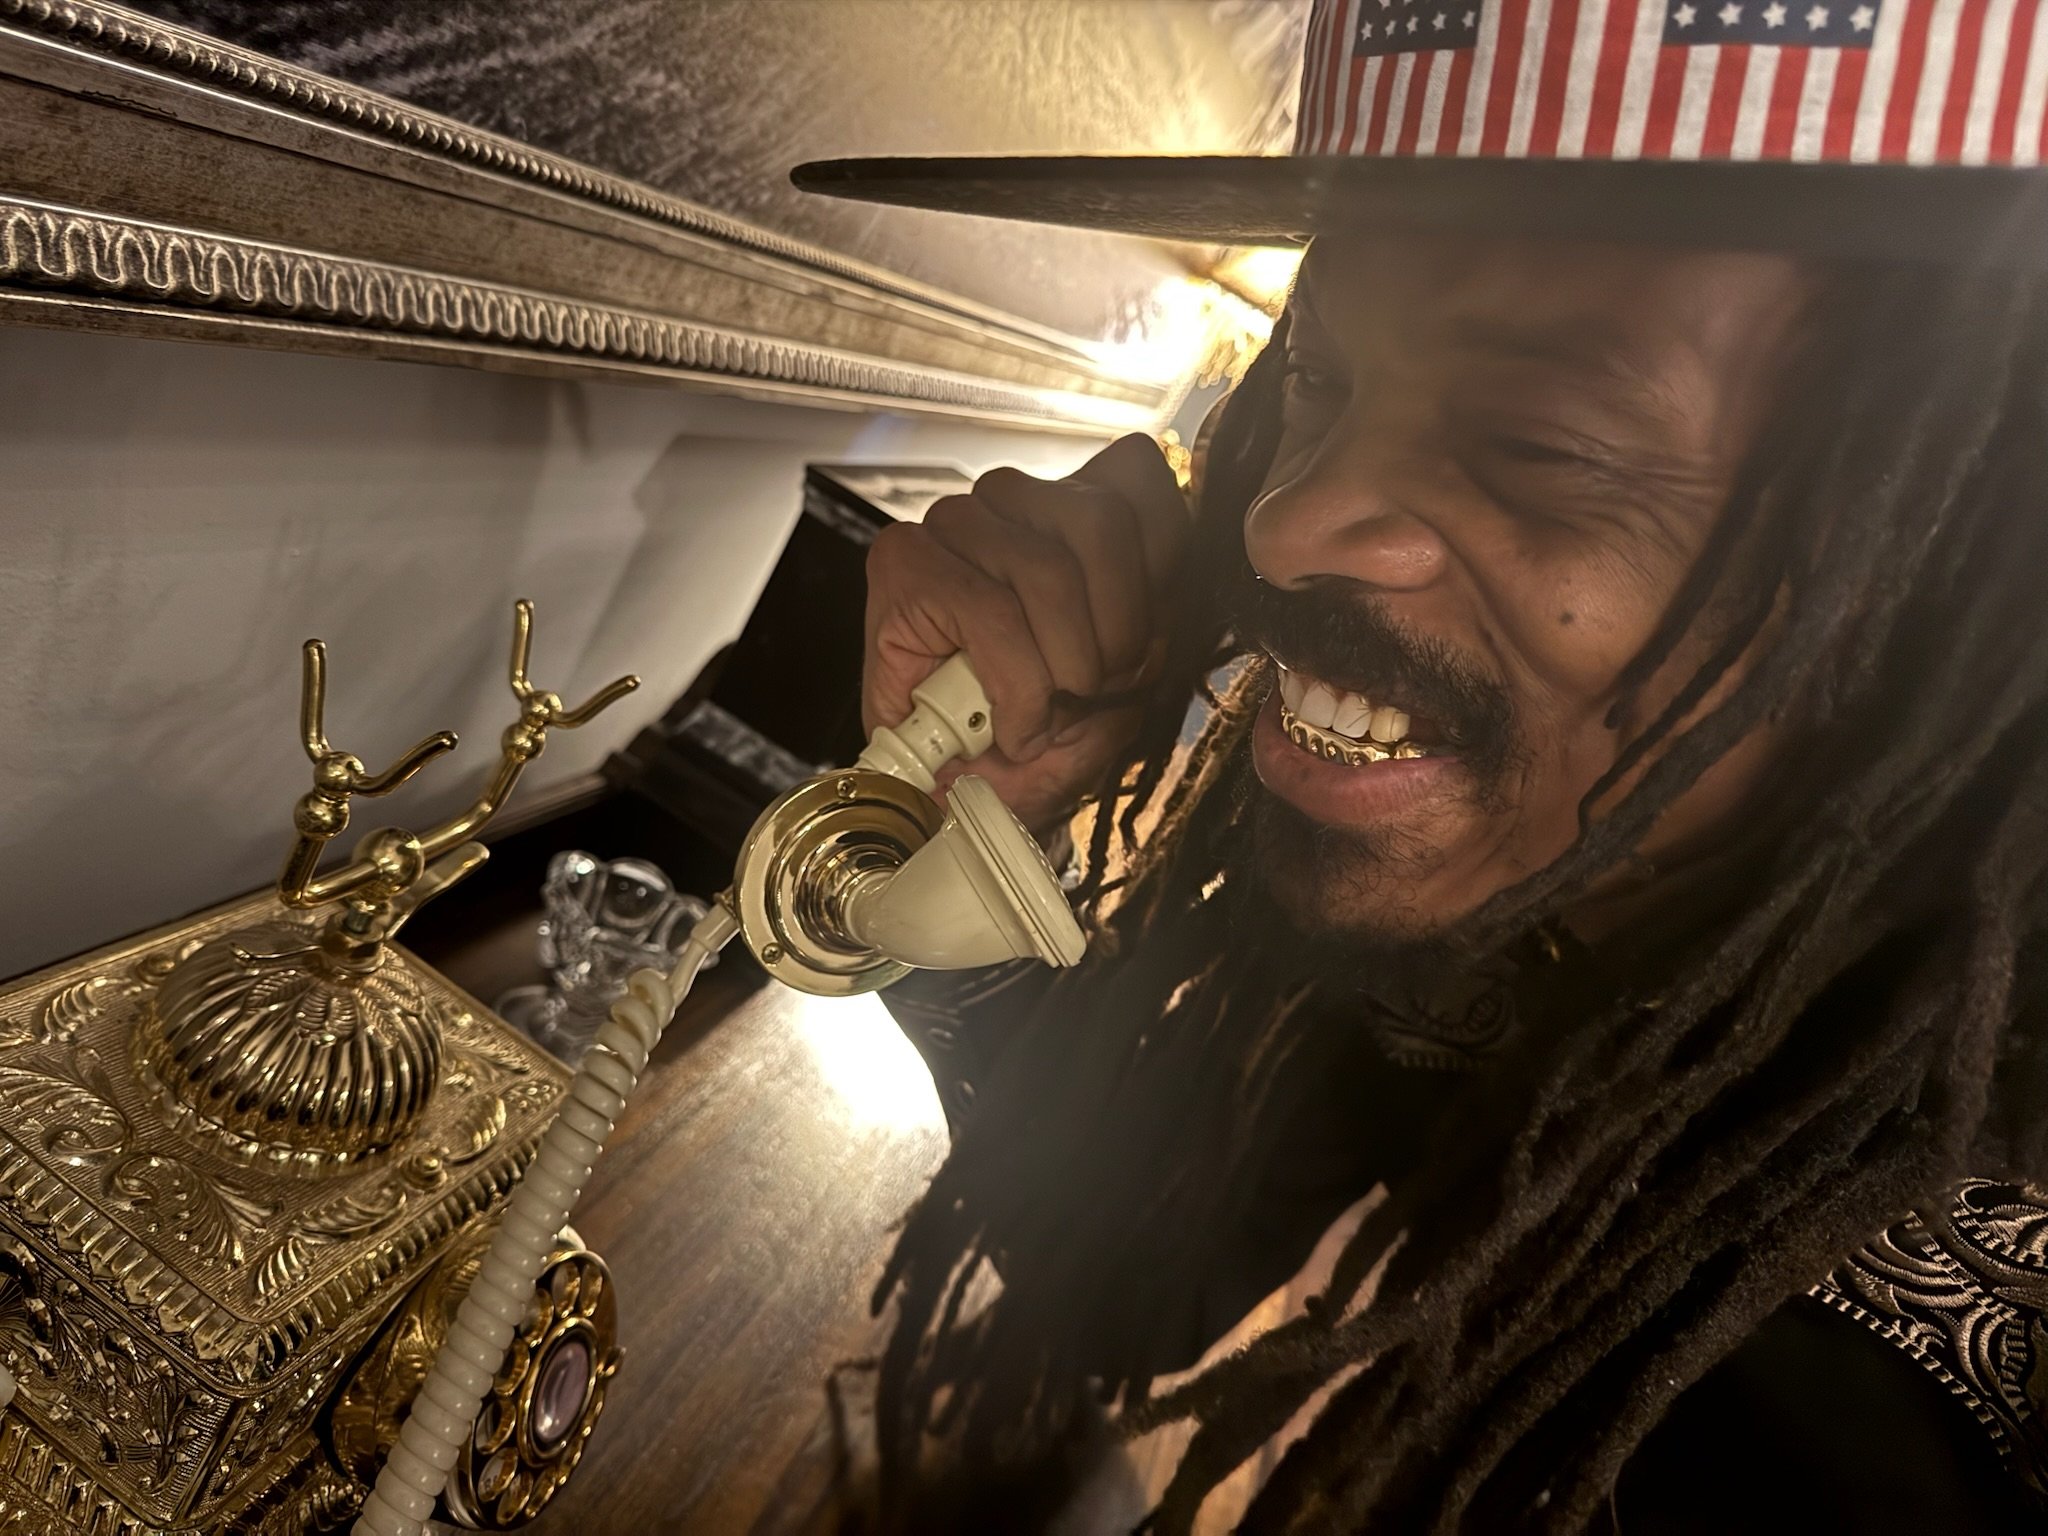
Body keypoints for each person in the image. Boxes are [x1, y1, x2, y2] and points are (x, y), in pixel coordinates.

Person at [791, 2, 2048, 1530]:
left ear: (1953, 585)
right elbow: (1135, 1274)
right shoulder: (1544, 903)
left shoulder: (1900, 1394)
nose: (1283, 527)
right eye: (1317, 380)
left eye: (1545, 446)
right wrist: (969, 833)